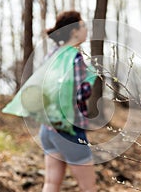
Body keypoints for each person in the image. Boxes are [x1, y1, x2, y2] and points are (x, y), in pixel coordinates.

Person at [39, 11, 97, 192]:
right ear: (74, 31)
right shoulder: (75, 57)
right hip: (68, 130)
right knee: (89, 188)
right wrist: (91, 79)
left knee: (51, 184)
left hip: (48, 128)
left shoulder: (52, 54)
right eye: (83, 26)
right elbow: (79, 95)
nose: (86, 29)